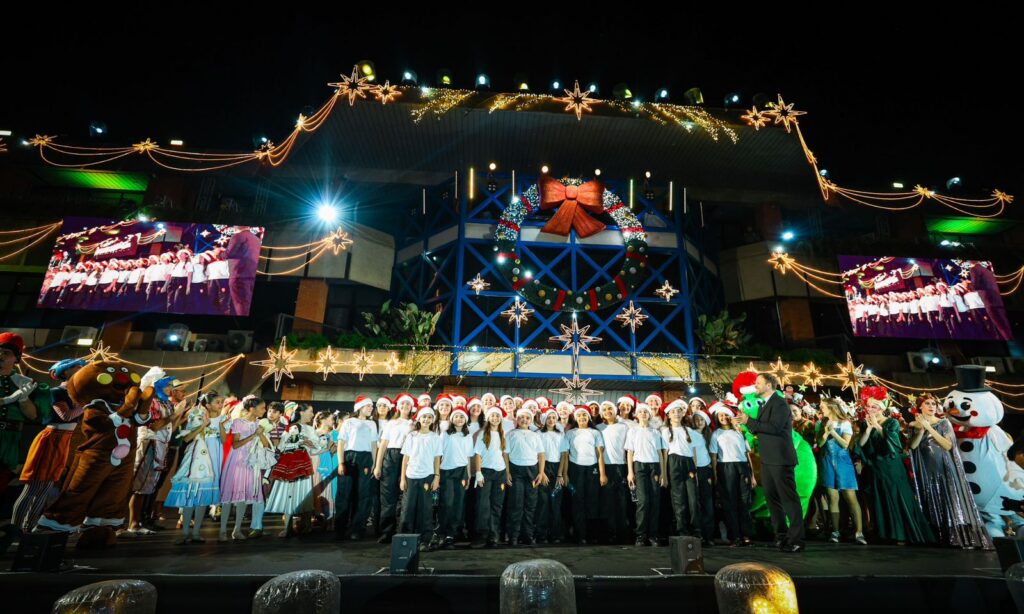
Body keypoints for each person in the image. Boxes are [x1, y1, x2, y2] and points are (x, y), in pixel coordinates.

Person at [909, 393, 992, 549]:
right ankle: (940, 536)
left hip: (944, 466)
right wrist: (921, 429)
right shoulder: (914, 425)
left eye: (933, 403)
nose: (931, 406)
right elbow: (913, 446)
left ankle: (959, 537)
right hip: (927, 469)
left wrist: (929, 428)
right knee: (933, 498)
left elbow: (948, 445)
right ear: (920, 406)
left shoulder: (943, 423)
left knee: (950, 497)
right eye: (927, 403)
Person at [735, 373, 805, 552]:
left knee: (788, 499)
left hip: (780, 459)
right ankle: (781, 536)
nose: (755, 386)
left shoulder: (780, 403)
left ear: (769, 385)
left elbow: (774, 428)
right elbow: (761, 430)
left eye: (758, 383)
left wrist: (749, 421)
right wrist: (747, 424)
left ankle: (796, 539)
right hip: (768, 459)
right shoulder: (765, 404)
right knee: (773, 499)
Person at [856, 386, 935, 545]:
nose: (871, 409)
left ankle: (902, 534)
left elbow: (894, 444)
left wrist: (877, 427)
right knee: (881, 498)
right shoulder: (865, 424)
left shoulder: (891, 422)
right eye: (869, 406)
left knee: (896, 497)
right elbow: (861, 445)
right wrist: (868, 429)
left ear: (881, 408)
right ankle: (886, 534)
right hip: (875, 466)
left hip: (891, 466)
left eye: (875, 406)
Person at [12, 358, 83, 531]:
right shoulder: (56, 392)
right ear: (64, 371)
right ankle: (15, 529)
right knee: (33, 488)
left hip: (64, 439)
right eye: (75, 367)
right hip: (52, 438)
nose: (80, 370)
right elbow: (65, 416)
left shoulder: (78, 395)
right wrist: (87, 404)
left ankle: (29, 527)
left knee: (46, 488)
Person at [165, 392, 225, 544]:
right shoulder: (197, 415)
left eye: (222, 402)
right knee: (190, 495)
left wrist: (222, 426)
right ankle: (185, 532)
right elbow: (187, 438)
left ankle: (196, 532)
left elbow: (223, 440)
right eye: (218, 402)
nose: (221, 405)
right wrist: (203, 426)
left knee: (203, 497)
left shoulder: (223, 420)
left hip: (213, 458)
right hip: (196, 457)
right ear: (208, 404)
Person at [266, 404, 322, 537]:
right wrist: (297, 442)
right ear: (301, 413)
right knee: (288, 494)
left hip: (303, 465)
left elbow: (316, 448)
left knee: (304, 493)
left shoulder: (310, 429)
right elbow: (282, 445)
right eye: (310, 411)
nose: (312, 414)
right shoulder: (290, 427)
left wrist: (310, 443)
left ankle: (306, 525)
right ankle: (287, 527)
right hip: (289, 465)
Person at [219, 397, 270, 541]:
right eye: (262, 408)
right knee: (229, 496)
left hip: (251, 462)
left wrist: (260, 434)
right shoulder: (238, 422)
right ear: (252, 409)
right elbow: (235, 444)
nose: (264, 410)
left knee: (243, 497)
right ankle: (223, 530)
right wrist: (254, 435)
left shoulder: (259, 423)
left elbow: (266, 445)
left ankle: (237, 529)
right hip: (238, 460)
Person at [817, 397, 866, 545]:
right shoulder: (821, 423)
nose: (821, 409)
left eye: (823, 406)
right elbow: (819, 443)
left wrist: (833, 432)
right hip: (826, 461)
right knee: (832, 498)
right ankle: (835, 531)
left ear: (832, 407)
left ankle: (859, 532)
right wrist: (825, 432)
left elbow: (845, 444)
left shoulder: (844, 423)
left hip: (843, 462)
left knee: (850, 496)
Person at [709, 403, 755, 547]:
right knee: (730, 503)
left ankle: (746, 535)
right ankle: (734, 536)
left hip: (741, 466)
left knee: (744, 502)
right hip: (725, 467)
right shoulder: (716, 434)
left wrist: (752, 475)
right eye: (720, 415)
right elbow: (714, 457)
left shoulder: (739, 432)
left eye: (726, 415)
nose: (723, 417)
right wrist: (716, 475)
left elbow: (748, 455)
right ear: (717, 418)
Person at [399, 406, 442, 550]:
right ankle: (405, 539)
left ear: (432, 420)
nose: (426, 419)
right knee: (408, 508)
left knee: (425, 509)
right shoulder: (412, 436)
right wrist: (402, 478)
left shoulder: (435, 437)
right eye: (424, 417)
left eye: (429, 417)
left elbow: (437, 459)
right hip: (411, 476)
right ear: (419, 419)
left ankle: (425, 540)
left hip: (427, 476)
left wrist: (436, 477)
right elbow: (405, 458)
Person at [336, 396, 378, 540]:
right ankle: (340, 529)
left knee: (363, 495)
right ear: (360, 407)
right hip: (349, 458)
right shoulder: (349, 422)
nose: (371, 408)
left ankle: (357, 529)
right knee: (344, 494)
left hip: (366, 458)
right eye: (368, 406)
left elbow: (374, 444)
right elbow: (341, 443)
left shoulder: (372, 424)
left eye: (372, 406)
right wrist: (341, 462)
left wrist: (374, 463)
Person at [374, 392, 414, 543]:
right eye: (402, 404)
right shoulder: (392, 423)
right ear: (398, 407)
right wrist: (378, 466)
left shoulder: (414, 423)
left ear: (411, 407)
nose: (405, 406)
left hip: (408, 458)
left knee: (405, 496)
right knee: (388, 496)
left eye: (408, 404)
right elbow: (383, 444)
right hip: (391, 457)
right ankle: (386, 532)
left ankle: (402, 530)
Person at [563, 406, 607, 545]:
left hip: (592, 468)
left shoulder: (595, 433)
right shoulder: (570, 433)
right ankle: (579, 535)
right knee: (577, 501)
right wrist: (564, 474)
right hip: (575, 468)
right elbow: (565, 454)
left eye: (584, 415)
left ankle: (592, 534)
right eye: (579, 415)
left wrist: (602, 474)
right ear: (575, 418)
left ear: (588, 417)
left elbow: (600, 454)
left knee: (592, 501)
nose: (582, 417)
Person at [625, 403, 667, 546]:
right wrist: (630, 472)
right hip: (640, 466)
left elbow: (660, 453)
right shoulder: (632, 431)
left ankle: (653, 535)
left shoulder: (655, 432)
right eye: (640, 411)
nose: (643, 414)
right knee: (643, 501)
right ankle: (640, 535)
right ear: (637, 414)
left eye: (645, 412)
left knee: (655, 501)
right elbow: (629, 452)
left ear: (649, 415)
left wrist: (662, 473)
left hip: (654, 466)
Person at [505, 407, 546, 546]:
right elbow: (506, 454)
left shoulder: (535, 435)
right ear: (517, 419)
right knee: (515, 504)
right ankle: (514, 536)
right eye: (521, 417)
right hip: (516, 470)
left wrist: (540, 473)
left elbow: (541, 455)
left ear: (531, 420)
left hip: (532, 471)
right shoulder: (510, 434)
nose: (524, 420)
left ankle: (527, 535)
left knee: (530, 505)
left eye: (527, 418)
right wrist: (507, 471)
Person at [437, 405, 473, 549]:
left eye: (462, 417)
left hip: (462, 471)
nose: (459, 419)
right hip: (447, 470)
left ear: (465, 420)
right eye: (456, 416)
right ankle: (441, 533)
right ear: (452, 419)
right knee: (447, 502)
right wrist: (437, 474)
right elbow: (438, 454)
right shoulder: (445, 434)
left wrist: (469, 475)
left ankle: (452, 535)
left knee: (458, 504)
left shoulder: (468, 435)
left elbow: (469, 457)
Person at [661, 399, 698, 539]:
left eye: (679, 411)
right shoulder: (665, 432)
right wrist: (664, 473)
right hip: (673, 462)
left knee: (693, 499)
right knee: (678, 498)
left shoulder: (689, 431)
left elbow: (693, 452)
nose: (676, 413)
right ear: (668, 415)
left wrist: (695, 469)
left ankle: (696, 529)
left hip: (688, 463)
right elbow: (664, 454)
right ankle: (681, 529)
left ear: (683, 413)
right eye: (673, 411)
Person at [473, 406, 509, 548]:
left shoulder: (503, 434)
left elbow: (505, 455)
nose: (495, 418)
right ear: (488, 418)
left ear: (500, 418)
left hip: (500, 473)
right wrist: (478, 472)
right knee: (483, 505)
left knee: (496, 505)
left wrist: (507, 472)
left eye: (497, 416)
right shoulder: (482, 434)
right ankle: (482, 536)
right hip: (486, 472)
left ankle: (494, 536)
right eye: (492, 415)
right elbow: (477, 454)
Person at [596, 399, 630, 544]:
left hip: (622, 467)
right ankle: (610, 534)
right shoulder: (598, 428)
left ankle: (622, 534)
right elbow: (599, 452)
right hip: (606, 467)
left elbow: (629, 450)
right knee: (607, 503)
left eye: (610, 408)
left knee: (622, 502)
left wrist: (629, 471)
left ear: (615, 410)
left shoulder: (624, 427)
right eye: (604, 410)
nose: (607, 412)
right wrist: (602, 473)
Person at [534, 408, 568, 544]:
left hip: (556, 468)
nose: (551, 420)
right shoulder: (538, 434)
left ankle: (555, 534)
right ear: (544, 419)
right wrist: (541, 473)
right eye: (549, 417)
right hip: (543, 467)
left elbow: (564, 455)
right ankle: (541, 534)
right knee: (543, 503)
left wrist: (560, 474)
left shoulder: (561, 435)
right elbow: (537, 455)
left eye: (554, 417)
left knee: (555, 503)